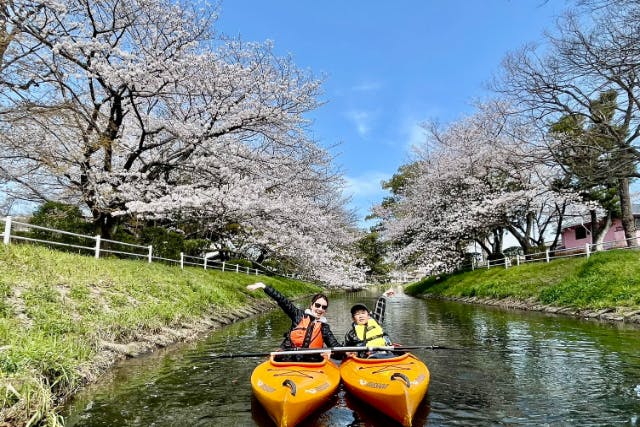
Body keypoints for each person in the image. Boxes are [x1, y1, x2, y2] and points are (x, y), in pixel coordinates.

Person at [246, 282, 341, 361]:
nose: (320, 309)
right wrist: (264, 286)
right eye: (317, 305)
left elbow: (336, 348)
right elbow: (283, 301)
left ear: (325, 310)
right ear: (312, 305)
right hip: (288, 357)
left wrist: (333, 353)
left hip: (311, 363)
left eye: (323, 307)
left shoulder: (324, 328)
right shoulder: (298, 315)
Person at [344, 289, 396, 358]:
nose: (361, 316)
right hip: (367, 357)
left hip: (385, 351)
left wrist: (384, 295)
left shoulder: (375, 320)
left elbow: (380, 308)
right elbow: (346, 349)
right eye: (357, 314)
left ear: (368, 315)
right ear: (353, 318)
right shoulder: (351, 334)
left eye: (363, 313)